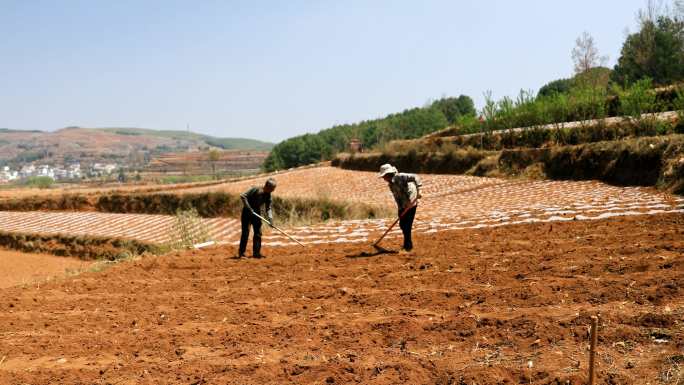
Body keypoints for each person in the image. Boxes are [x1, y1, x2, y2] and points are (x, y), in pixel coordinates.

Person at [379, 164, 421, 252]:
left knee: (407, 226)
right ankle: (407, 245)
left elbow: (415, 177)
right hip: (402, 205)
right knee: (402, 225)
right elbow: (397, 197)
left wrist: (419, 190)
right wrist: (400, 208)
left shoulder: (400, 177)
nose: (383, 179)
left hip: (411, 203)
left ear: (388, 174)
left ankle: (408, 247)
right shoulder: (391, 185)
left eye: (384, 176)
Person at [238, 178, 276, 258]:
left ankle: (256, 253)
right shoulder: (256, 189)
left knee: (258, 233)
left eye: (273, 189)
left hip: (257, 214)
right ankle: (241, 253)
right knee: (245, 233)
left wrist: (270, 219)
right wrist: (249, 208)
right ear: (266, 186)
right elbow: (243, 196)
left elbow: (268, 208)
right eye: (272, 189)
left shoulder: (268, 195)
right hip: (247, 214)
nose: (272, 191)